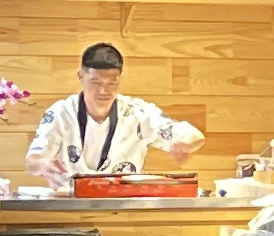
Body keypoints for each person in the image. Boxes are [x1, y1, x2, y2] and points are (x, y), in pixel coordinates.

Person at [26, 42, 205, 182]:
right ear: (81, 76)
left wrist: (186, 144)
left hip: (124, 204)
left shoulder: (138, 113)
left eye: (112, 83)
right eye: (96, 82)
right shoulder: (61, 112)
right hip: (70, 201)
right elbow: (33, 160)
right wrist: (43, 164)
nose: (104, 91)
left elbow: (193, 136)